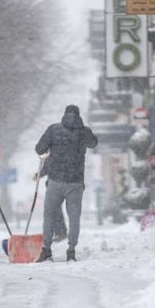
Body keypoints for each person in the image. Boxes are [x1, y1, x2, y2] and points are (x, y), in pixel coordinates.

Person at [34, 105, 98, 262]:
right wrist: (82, 131)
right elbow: (94, 143)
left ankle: (47, 250)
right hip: (75, 183)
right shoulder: (84, 132)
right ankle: (71, 250)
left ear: (64, 115)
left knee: (49, 215)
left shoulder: (53, 129)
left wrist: (50, 148)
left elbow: (39, 149)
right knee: (74, 217)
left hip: (55, 181)